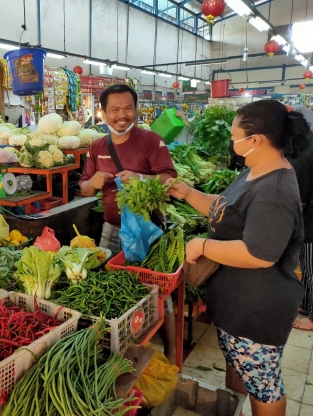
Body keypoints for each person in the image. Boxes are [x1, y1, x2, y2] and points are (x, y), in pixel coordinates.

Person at [167, 100, 308, 416]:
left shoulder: (274, 189)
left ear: (255, 140)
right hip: (237, 304)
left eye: (235, 136)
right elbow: (226, 210)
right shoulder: (256, 171)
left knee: (264, 386)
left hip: (257, 310)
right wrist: (189, 193)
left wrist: (203, 246)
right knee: (243, 373)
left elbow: (259, 254)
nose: (232, 142)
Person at [79, 84, 178, 364]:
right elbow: (84, 189)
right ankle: (119, 351)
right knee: (110, 291)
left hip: (148, 231)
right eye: (114, 110)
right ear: (103, 112)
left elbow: (170, 180)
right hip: (111, 230)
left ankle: (171, 353)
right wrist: (93, 182)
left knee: (158, 294)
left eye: (127, 109)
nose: (121, 115)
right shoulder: (97, 146)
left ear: (135, 109)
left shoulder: (150, 140)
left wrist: (142, 178)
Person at [290, 105, 313, 331]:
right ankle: (307, 304)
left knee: (312, 267)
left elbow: (301, 197)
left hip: (311, 219)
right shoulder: (308, 145)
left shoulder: (304, 156)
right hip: (309, 217)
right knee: (307, 266)